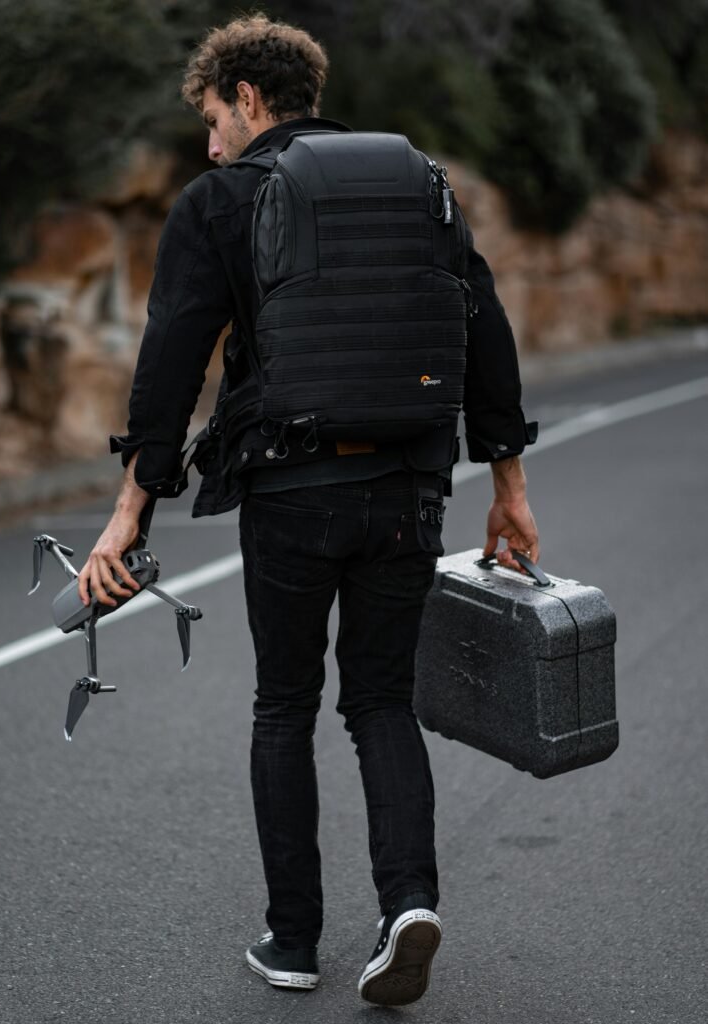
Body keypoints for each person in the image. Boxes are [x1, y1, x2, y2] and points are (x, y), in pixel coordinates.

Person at [77, 13, 539, 1007]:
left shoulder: (223, 200)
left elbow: (170, 367)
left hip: (289, 489)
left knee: (283, 705)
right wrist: (509, 485)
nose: (208, 144)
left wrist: (131, 514)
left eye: (211, 118)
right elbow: (484, 323)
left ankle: (292, 940)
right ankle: (408, 901)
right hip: (410, 484)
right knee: (380, 700)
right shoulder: (422, 183)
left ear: (249, 98)